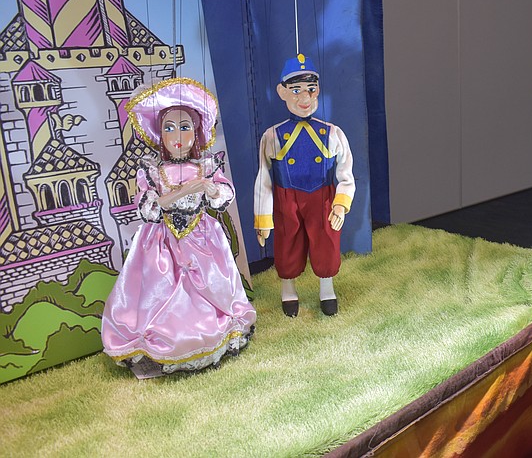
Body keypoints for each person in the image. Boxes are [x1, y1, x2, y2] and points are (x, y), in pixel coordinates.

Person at [102, 78, 257, 378]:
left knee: (208, 288)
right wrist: (185, 191)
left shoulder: (206, 165)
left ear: (197, 132)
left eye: (185, 127)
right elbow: (149, 208)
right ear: (159, 133)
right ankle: (164, 341)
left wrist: (210, 189)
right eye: (169, 128)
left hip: (202, 238)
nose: (177, 136)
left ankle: (211, 330)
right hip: (161, 243)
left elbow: (223, 195)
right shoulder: (151, 170)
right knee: (160, 292)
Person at [254, 54, 355, 317]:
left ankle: (327, 288)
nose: (304, 98)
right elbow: (263, 178)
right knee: (287, 242)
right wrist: (263, 218)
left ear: (318, 90)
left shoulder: (332, 133)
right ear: (282, 92)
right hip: (286, 198)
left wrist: (341, 204)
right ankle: (288, 288)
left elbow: (346, 173)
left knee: (326, 241)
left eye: (311, 89)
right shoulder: (272, 136)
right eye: (296, 90)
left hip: (322, 197)